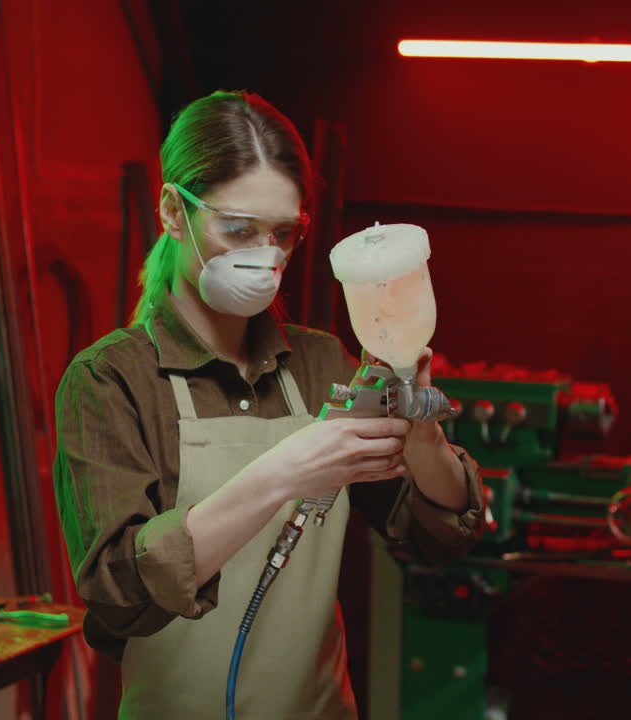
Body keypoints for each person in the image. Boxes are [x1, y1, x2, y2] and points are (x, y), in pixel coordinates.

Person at [52, 90, 483, 720]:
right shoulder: (111, 381)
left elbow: (432, 535)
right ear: (174, 212)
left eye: (285, 233)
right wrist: (284, 471)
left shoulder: (321, 365)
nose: (267, 255)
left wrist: (424, 442)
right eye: (238, 229)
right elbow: (119, 591)